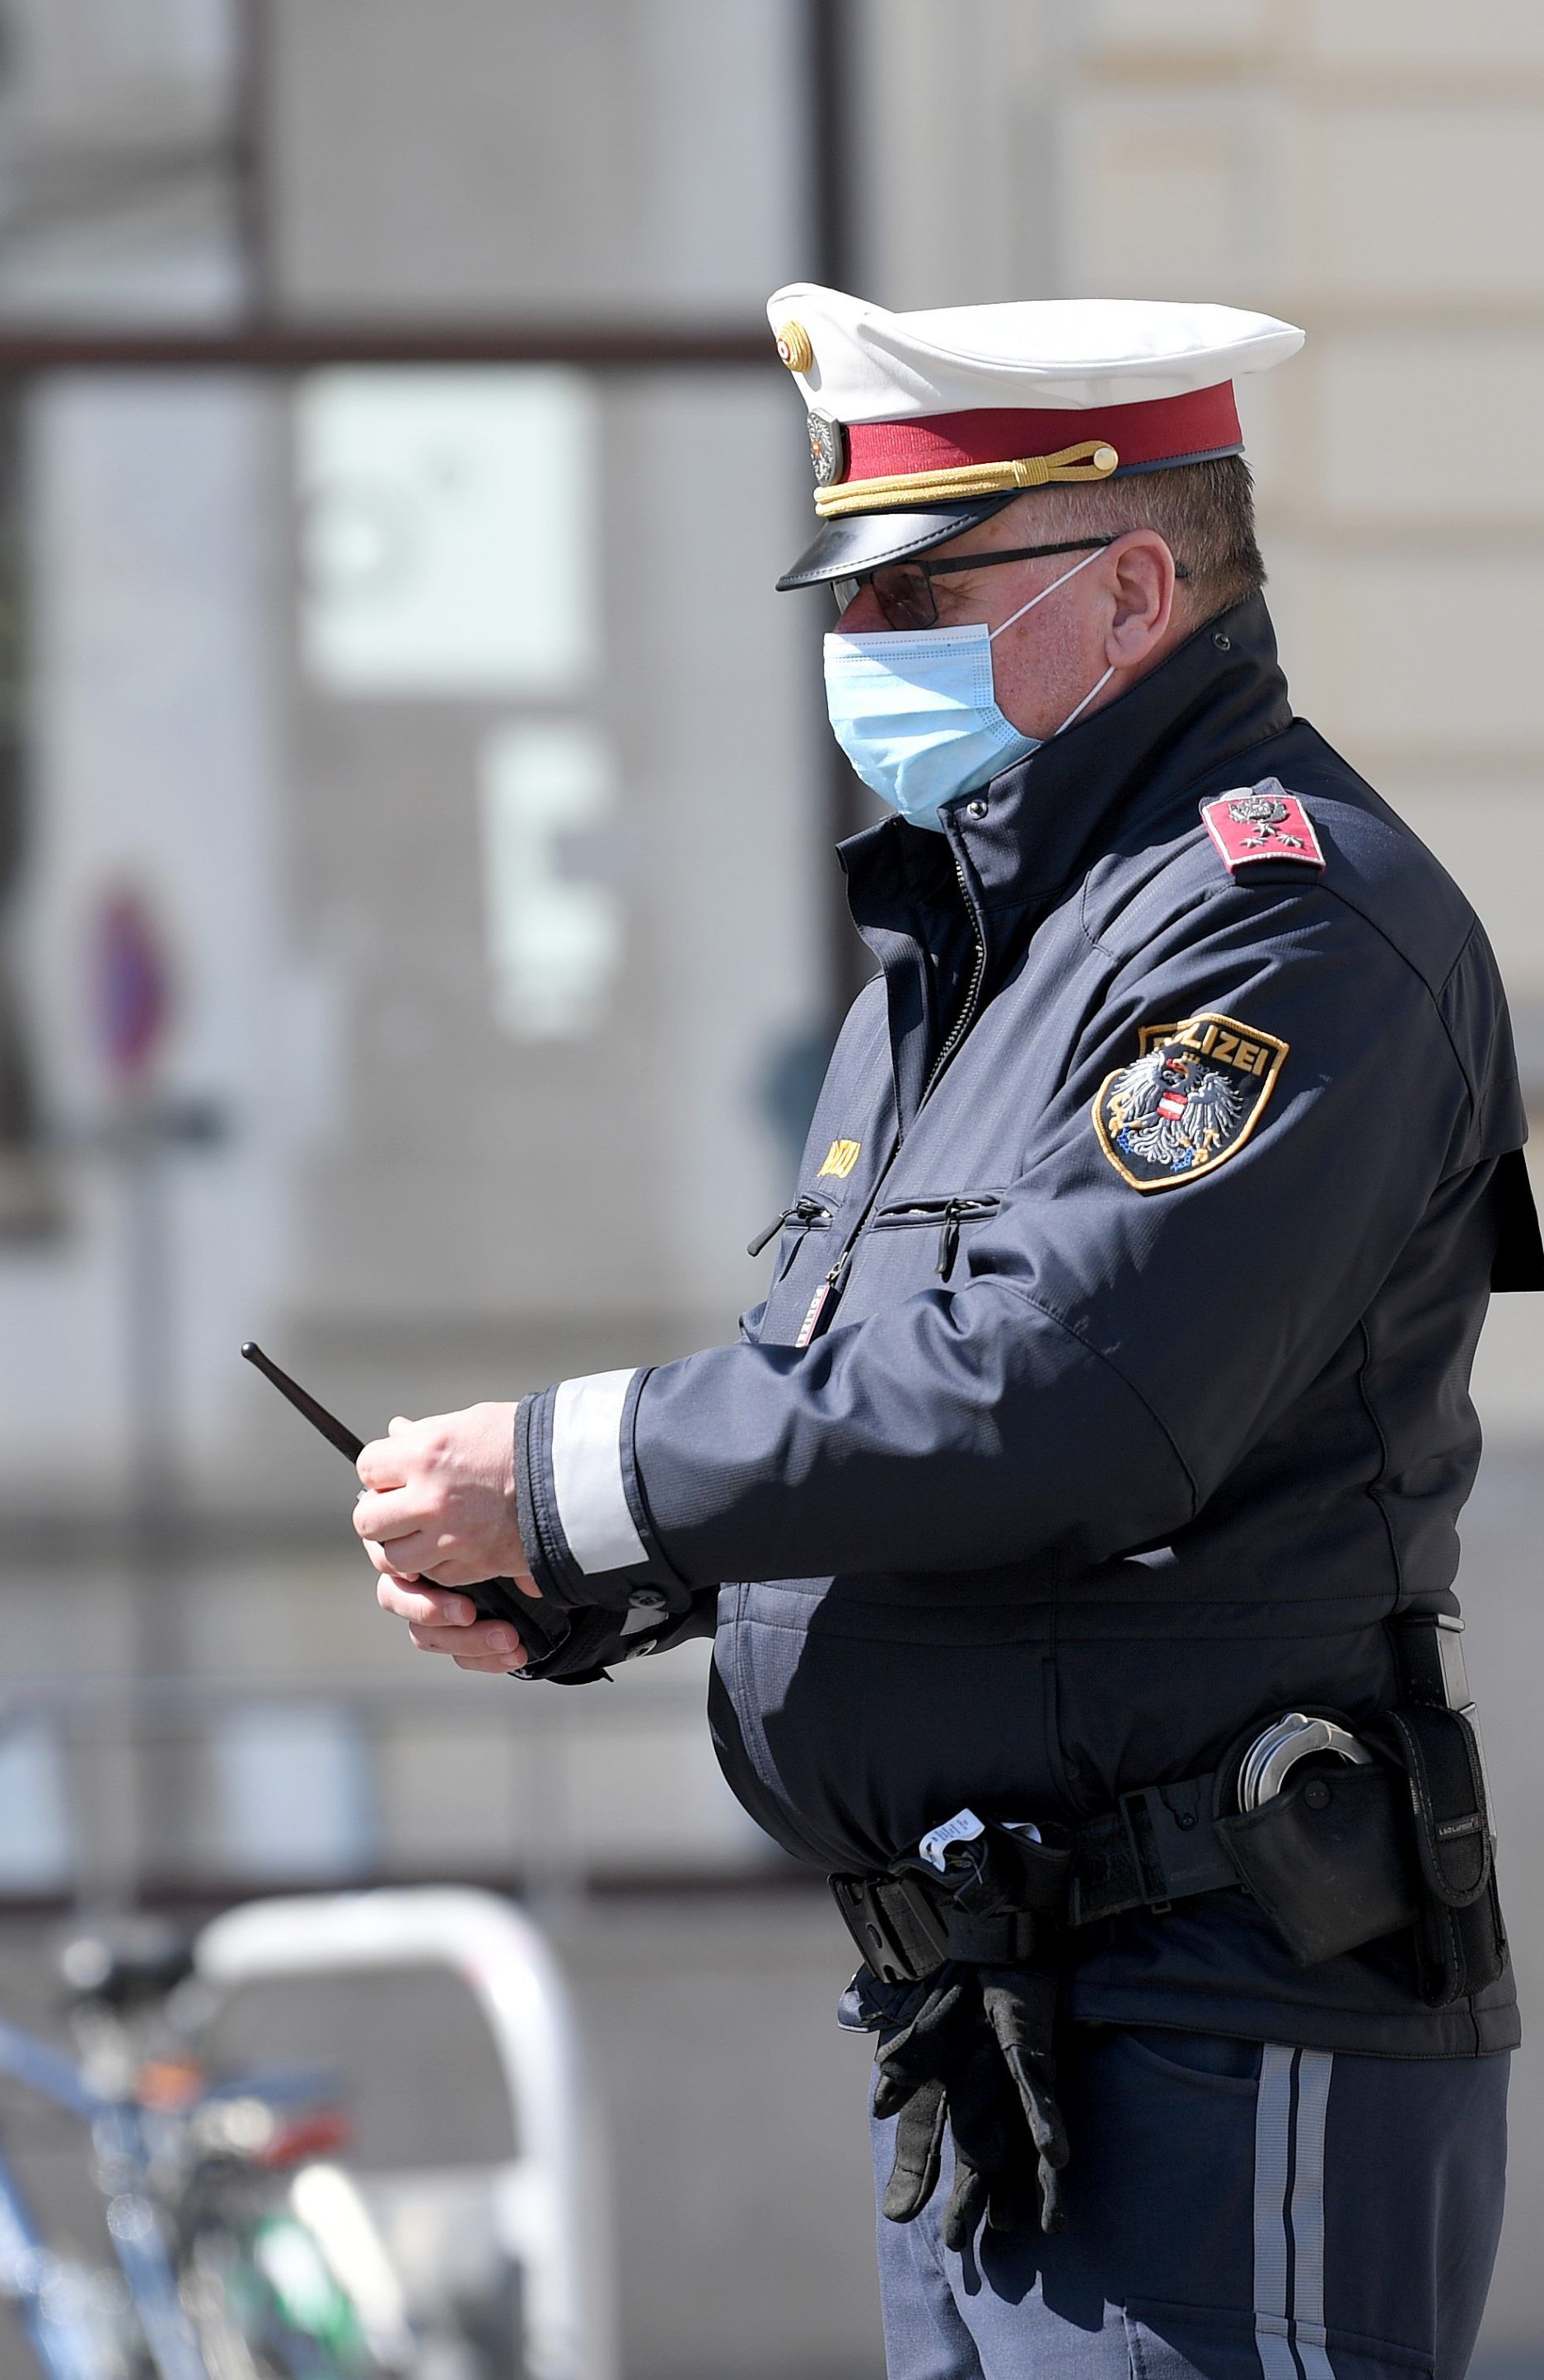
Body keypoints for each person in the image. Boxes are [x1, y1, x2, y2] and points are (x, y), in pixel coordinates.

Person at [349, 284, 1527, 2374]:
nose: (860, 647)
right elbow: (874, 1417)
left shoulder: (1282, 919)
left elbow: (1063, 1401)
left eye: (916, 588)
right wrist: (609, 1577)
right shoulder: (990, 939)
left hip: (1217, 2006)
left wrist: (570, 1468)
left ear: (1134, 586)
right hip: (998, 2033)